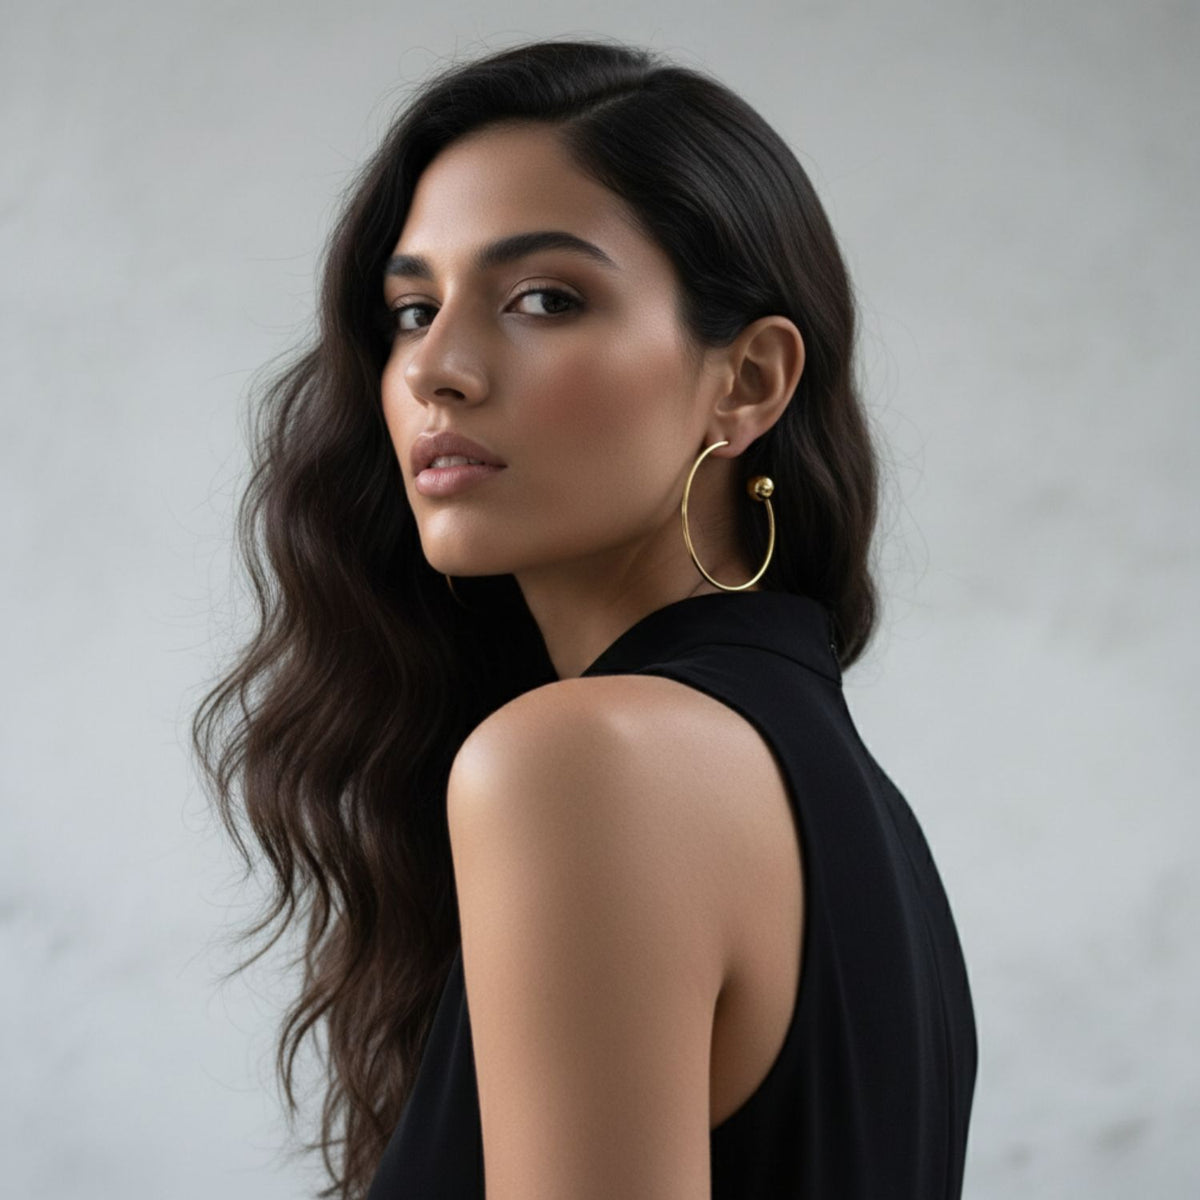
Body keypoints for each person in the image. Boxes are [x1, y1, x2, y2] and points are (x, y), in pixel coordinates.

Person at [192, 36, 977, 1200]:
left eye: (544, 299)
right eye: (410, 309)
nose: (437, 369)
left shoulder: (587, 762)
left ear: (748, 380)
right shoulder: (850, 804)